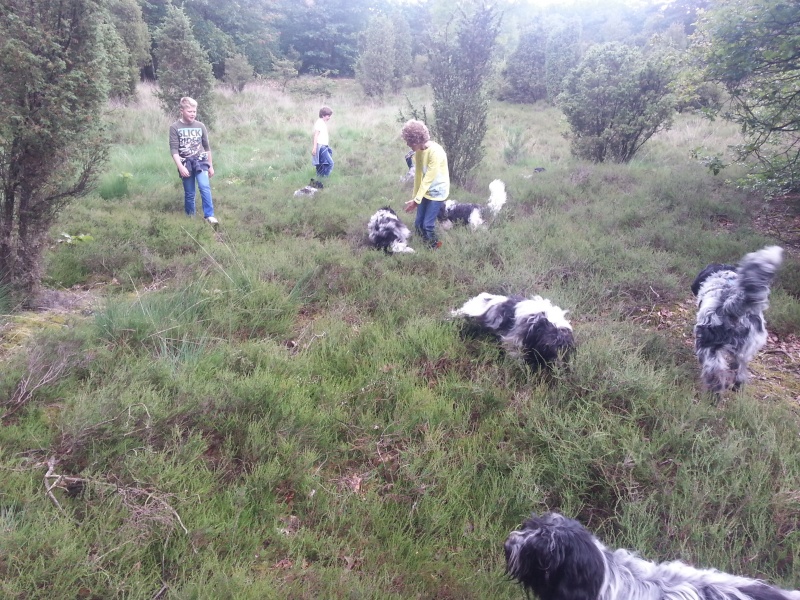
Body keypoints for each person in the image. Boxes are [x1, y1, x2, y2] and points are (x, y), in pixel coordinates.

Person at [169, 97, 218, 225]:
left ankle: (209, 216)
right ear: (182, 111)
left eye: (194, 111)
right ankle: (190, 218)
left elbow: (206, 147)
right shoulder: (174, 127)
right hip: (186, 163)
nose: (192, 114)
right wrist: (180, 167)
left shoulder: (200, 126)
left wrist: (210, 165)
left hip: (201, 161)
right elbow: (174, 150)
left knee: (204, 186)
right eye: (189, 111)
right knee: (190, 193)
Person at [402, 119, 450, 248]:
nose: (408, 144)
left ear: (417, 140)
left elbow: (428, 178)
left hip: (437, 193)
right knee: (418, 224)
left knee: (427, 225)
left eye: (409, 141)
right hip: (425, 191)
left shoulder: (436, 152)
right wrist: (415, 198)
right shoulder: (418, 152)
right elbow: (418, 176)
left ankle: (435, 246)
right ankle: (424, 244)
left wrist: (417, 199)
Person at [311, 106, 334, 180]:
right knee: (330, 163)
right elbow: (315, 135)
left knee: (322, 164)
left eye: (330, 116)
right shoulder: (319, 123)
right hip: (321, 147)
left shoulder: (322, 122)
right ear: (323, 115)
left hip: (324, 146)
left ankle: (319, 179)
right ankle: (325, 178)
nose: (329, 117)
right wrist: (314, 148)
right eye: (328, 116)